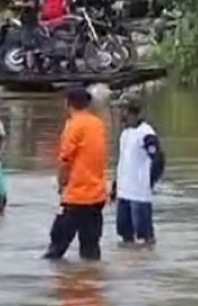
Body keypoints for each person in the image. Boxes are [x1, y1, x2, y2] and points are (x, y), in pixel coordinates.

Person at [44, 87, 109, 261]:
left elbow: (65, 159)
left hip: (76, 195)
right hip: (97, 194)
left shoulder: (73, 125)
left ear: (68, 104)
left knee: (56, 247)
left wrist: (61, 184)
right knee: (91, 247)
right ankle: (91, 281)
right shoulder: (98, 124)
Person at [112, 96, 165, 246]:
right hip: (124, 193)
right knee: (125, 234)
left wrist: (149, 182)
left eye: (121, 110)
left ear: (129, 111)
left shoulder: (146, 134)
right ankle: (132, 266)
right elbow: (123, 163)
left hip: (139, 195)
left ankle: (146, 265)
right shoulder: (125, 134)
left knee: (144, 238)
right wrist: (116, 186)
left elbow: (159, 159)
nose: (118, 113)